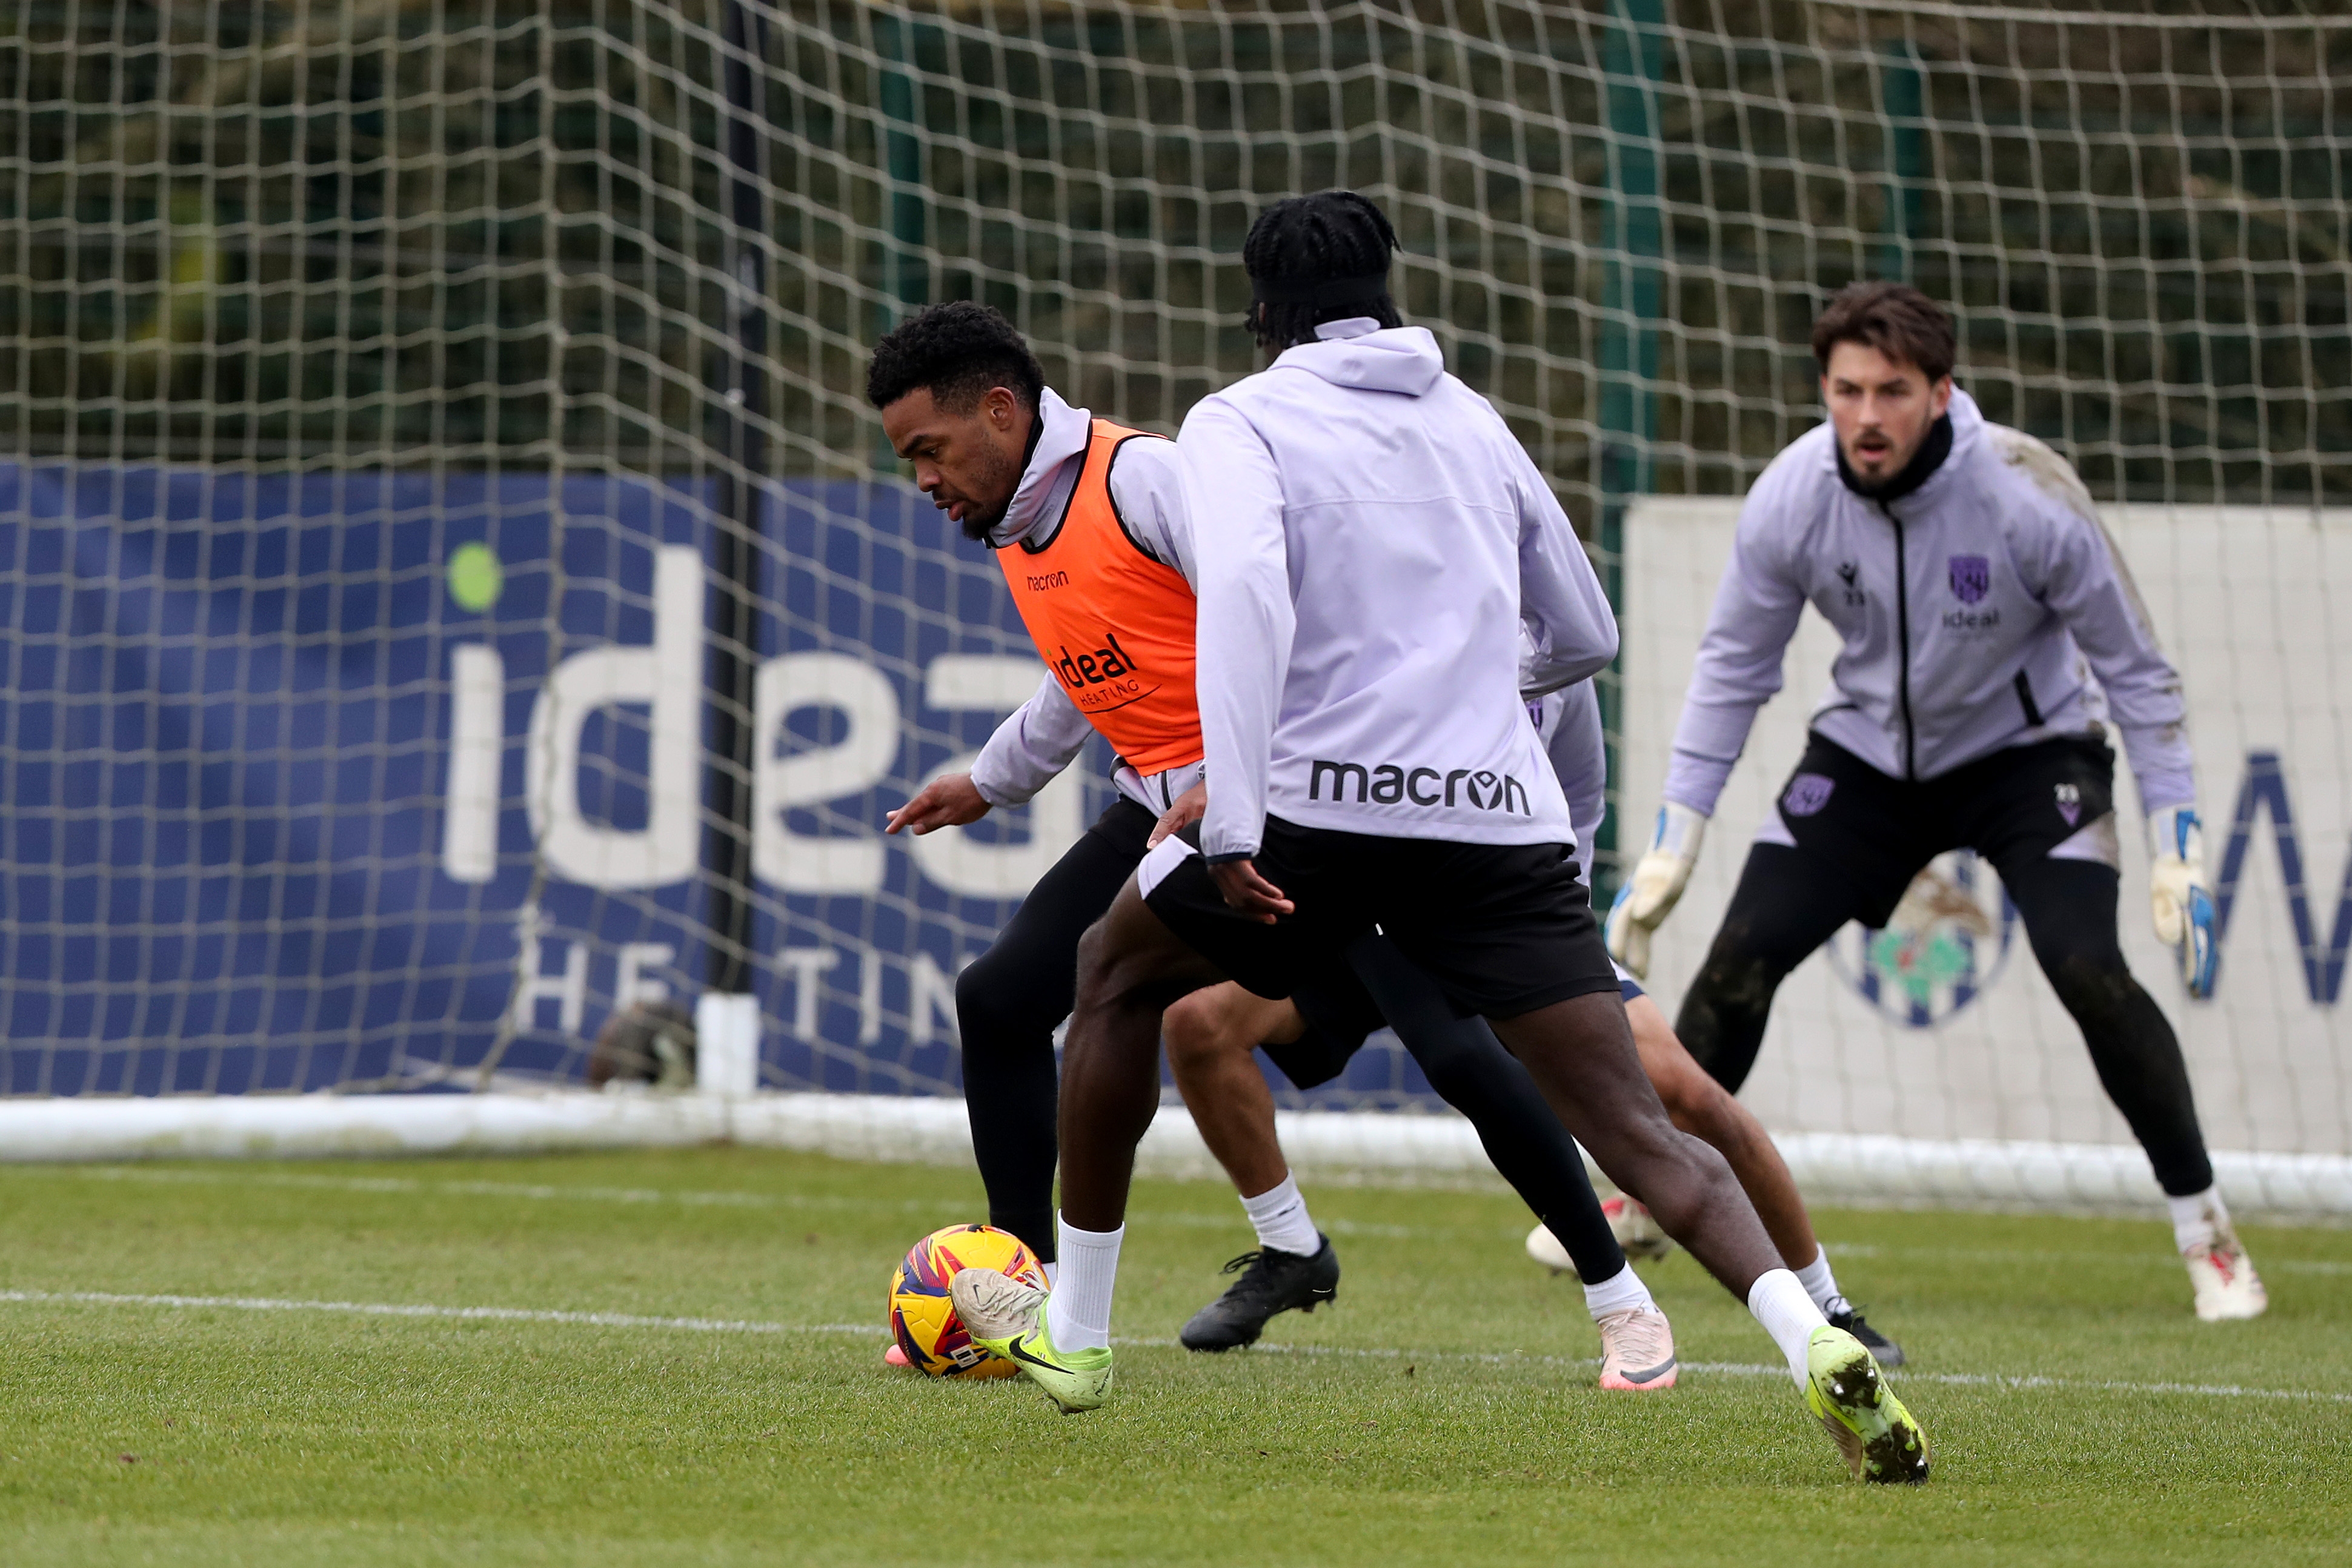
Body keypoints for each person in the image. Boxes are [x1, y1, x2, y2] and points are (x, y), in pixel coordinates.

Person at [948, 191, 1928, 1485]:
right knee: (1636, 1128)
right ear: (1385, 290)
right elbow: (1583, 634)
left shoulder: (1241, 419)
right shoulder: (1473, 417)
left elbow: (1241, 600)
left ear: (1262, 313)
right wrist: (1468, 697)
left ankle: (1076, 1336)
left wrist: (1234, 815)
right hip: (1496, 824)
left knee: (1114, 978)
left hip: (1315, 815)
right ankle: (1810, 1338)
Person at [867, 302, 1672, 1387]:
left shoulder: (1144, 480)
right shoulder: (1015, 517)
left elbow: (1283, 616)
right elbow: (1088, 666)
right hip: (1158, 810)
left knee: (1460, 1053)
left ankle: (1618, 1298)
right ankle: (1029, 1294)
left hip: (1296, 805)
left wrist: (1232, 781)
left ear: (1001, 412)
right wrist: (991, 779)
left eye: (929, 449)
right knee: (1002, 997)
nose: (924, 479)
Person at [1606, 280, 2263, 1324]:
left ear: (1942, 393)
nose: (1866, 417)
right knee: (1736, 965)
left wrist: (2178, 839)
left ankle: (2206, 1231)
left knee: (2087, 968)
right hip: (1866, 761)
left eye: (1893, 391)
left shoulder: (2025, 492)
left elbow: (2136, 675)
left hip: (2027, 754)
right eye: (1846, 390)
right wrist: (1671, 837)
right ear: (1823, 389)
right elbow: (1732, 667)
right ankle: (1645, 1197)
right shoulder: (1791, 495)